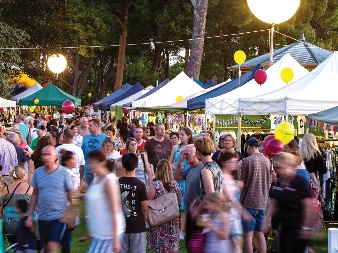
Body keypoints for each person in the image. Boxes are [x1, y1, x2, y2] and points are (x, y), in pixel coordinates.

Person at [262, 152, 317, 253]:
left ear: (290, 166)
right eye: (278, 168)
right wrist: (266, 220)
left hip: (298, 227)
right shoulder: (279, 182)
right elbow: (274, 203)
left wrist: (306, 228)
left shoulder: (300, 182)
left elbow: (308, 206)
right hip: (284, 226)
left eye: (283, 167)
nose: (280, 171)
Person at [26, 145, 73, 253]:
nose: (46, 157)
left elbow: (72, 193)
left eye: (49, 154)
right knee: (46, 248)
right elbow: (35, 194)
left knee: (52, 246)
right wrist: (29, 216)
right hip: (43, 216)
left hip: (59, 217)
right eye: (43, 155)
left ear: (56, 156)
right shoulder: (38, 172)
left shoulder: (64, 172)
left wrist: (73, 214)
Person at [85, 150, 125, 253]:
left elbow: (115, 210)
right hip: (99, 233)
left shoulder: (109, 181)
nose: (89, 165)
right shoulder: (97, 179)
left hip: (108, 235)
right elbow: (95, 199)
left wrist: (115, 239)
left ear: (101, 163)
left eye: (92, 162)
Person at [239, 137, 271, 253]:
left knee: (248, 234)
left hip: (249, 201)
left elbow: (243, 183)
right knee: (260, 233)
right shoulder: (267, 161)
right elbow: (269, 182)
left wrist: (240, 201)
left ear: (249, 147)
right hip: (262, 202)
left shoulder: (246, 161)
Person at [173, 144, 204, 249]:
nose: (185, 156)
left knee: (196, 244)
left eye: (187, 154)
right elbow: (176, 177)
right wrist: (180, 162)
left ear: (196, 154)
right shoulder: (190, 168)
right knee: (189, 243)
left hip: (199, 212)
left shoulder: (202, 168)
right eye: (184, 154)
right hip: (189, 211)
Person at [148, 159, 180, 253]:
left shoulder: (155, 185)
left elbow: (148, 203)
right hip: (172, 220)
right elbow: (178, 202)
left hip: (159, 220)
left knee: (161, 248)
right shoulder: (175, 185)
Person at [119, 153, 147, 253]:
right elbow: (144, 207)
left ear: (123, 165)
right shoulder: (140, 185)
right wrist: (144, 218)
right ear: (136, 165)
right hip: (137, 224)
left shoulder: (116, 183)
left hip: (120, 224)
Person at [169, 127, 194, 240]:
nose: (180, 136)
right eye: (180, 134)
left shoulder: (193, 147)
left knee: (184, 206)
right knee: (174, 204)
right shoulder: (175, 147)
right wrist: (176, 168)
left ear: (188, 135)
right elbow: (170, 163)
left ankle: (181, 230)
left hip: (188, 178)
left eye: (182, 134)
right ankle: (173, 227)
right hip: (177, 177)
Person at [220, 152, 243, 253]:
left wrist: (239, 188)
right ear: (224, 162)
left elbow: (235, 196)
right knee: (228, 243)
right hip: (226, 214)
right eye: (232, 162)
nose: (235, 164)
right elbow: (228, 197)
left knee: (237, 241)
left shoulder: (232, 177)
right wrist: (243, 212)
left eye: (236, 162)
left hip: (235, 214)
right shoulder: (221, 177)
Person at [299, 133, 327, 198]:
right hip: (313, 181)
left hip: (300, 179)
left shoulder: (299, 153)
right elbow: (323, 170)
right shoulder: (316, 154)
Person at [81, 119, 107, 186]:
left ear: (96, 126)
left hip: (100, 171)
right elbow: (82, 153)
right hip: (87, 170)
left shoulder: (105, 138)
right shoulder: (85, 138)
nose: (88, 127)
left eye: (90, 125)